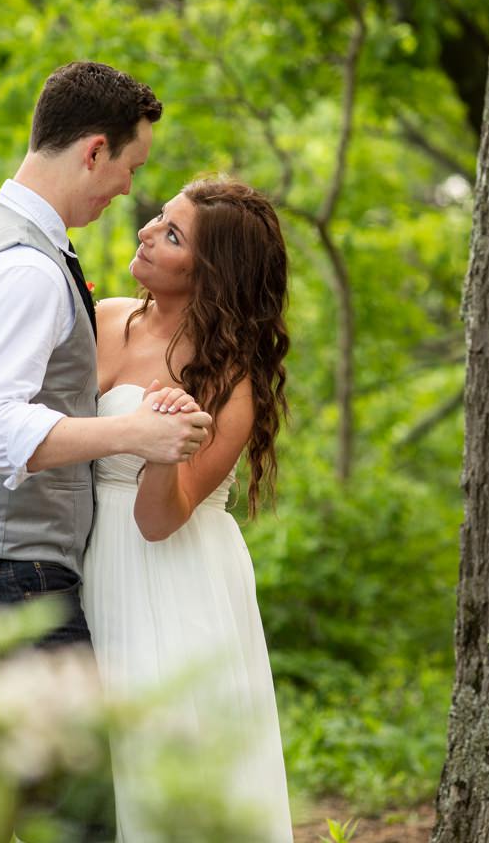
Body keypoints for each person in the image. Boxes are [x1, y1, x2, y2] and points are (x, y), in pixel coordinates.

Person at [0, 60, 214, 843]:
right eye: (130, 169)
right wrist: (136, 433)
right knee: (70, 823)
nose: (124, 194)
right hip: (1, 582)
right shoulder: (24, 267)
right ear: (94, 151)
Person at [81, 179, 294, 841]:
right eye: (160, 219)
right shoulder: (103, 317)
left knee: (159, 763)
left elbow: (159, 519)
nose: (146, 230)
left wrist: (165, 444)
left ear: (211, 275)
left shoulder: (231, 385)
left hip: (171, 577)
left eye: (172, 235)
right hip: (83, 559)